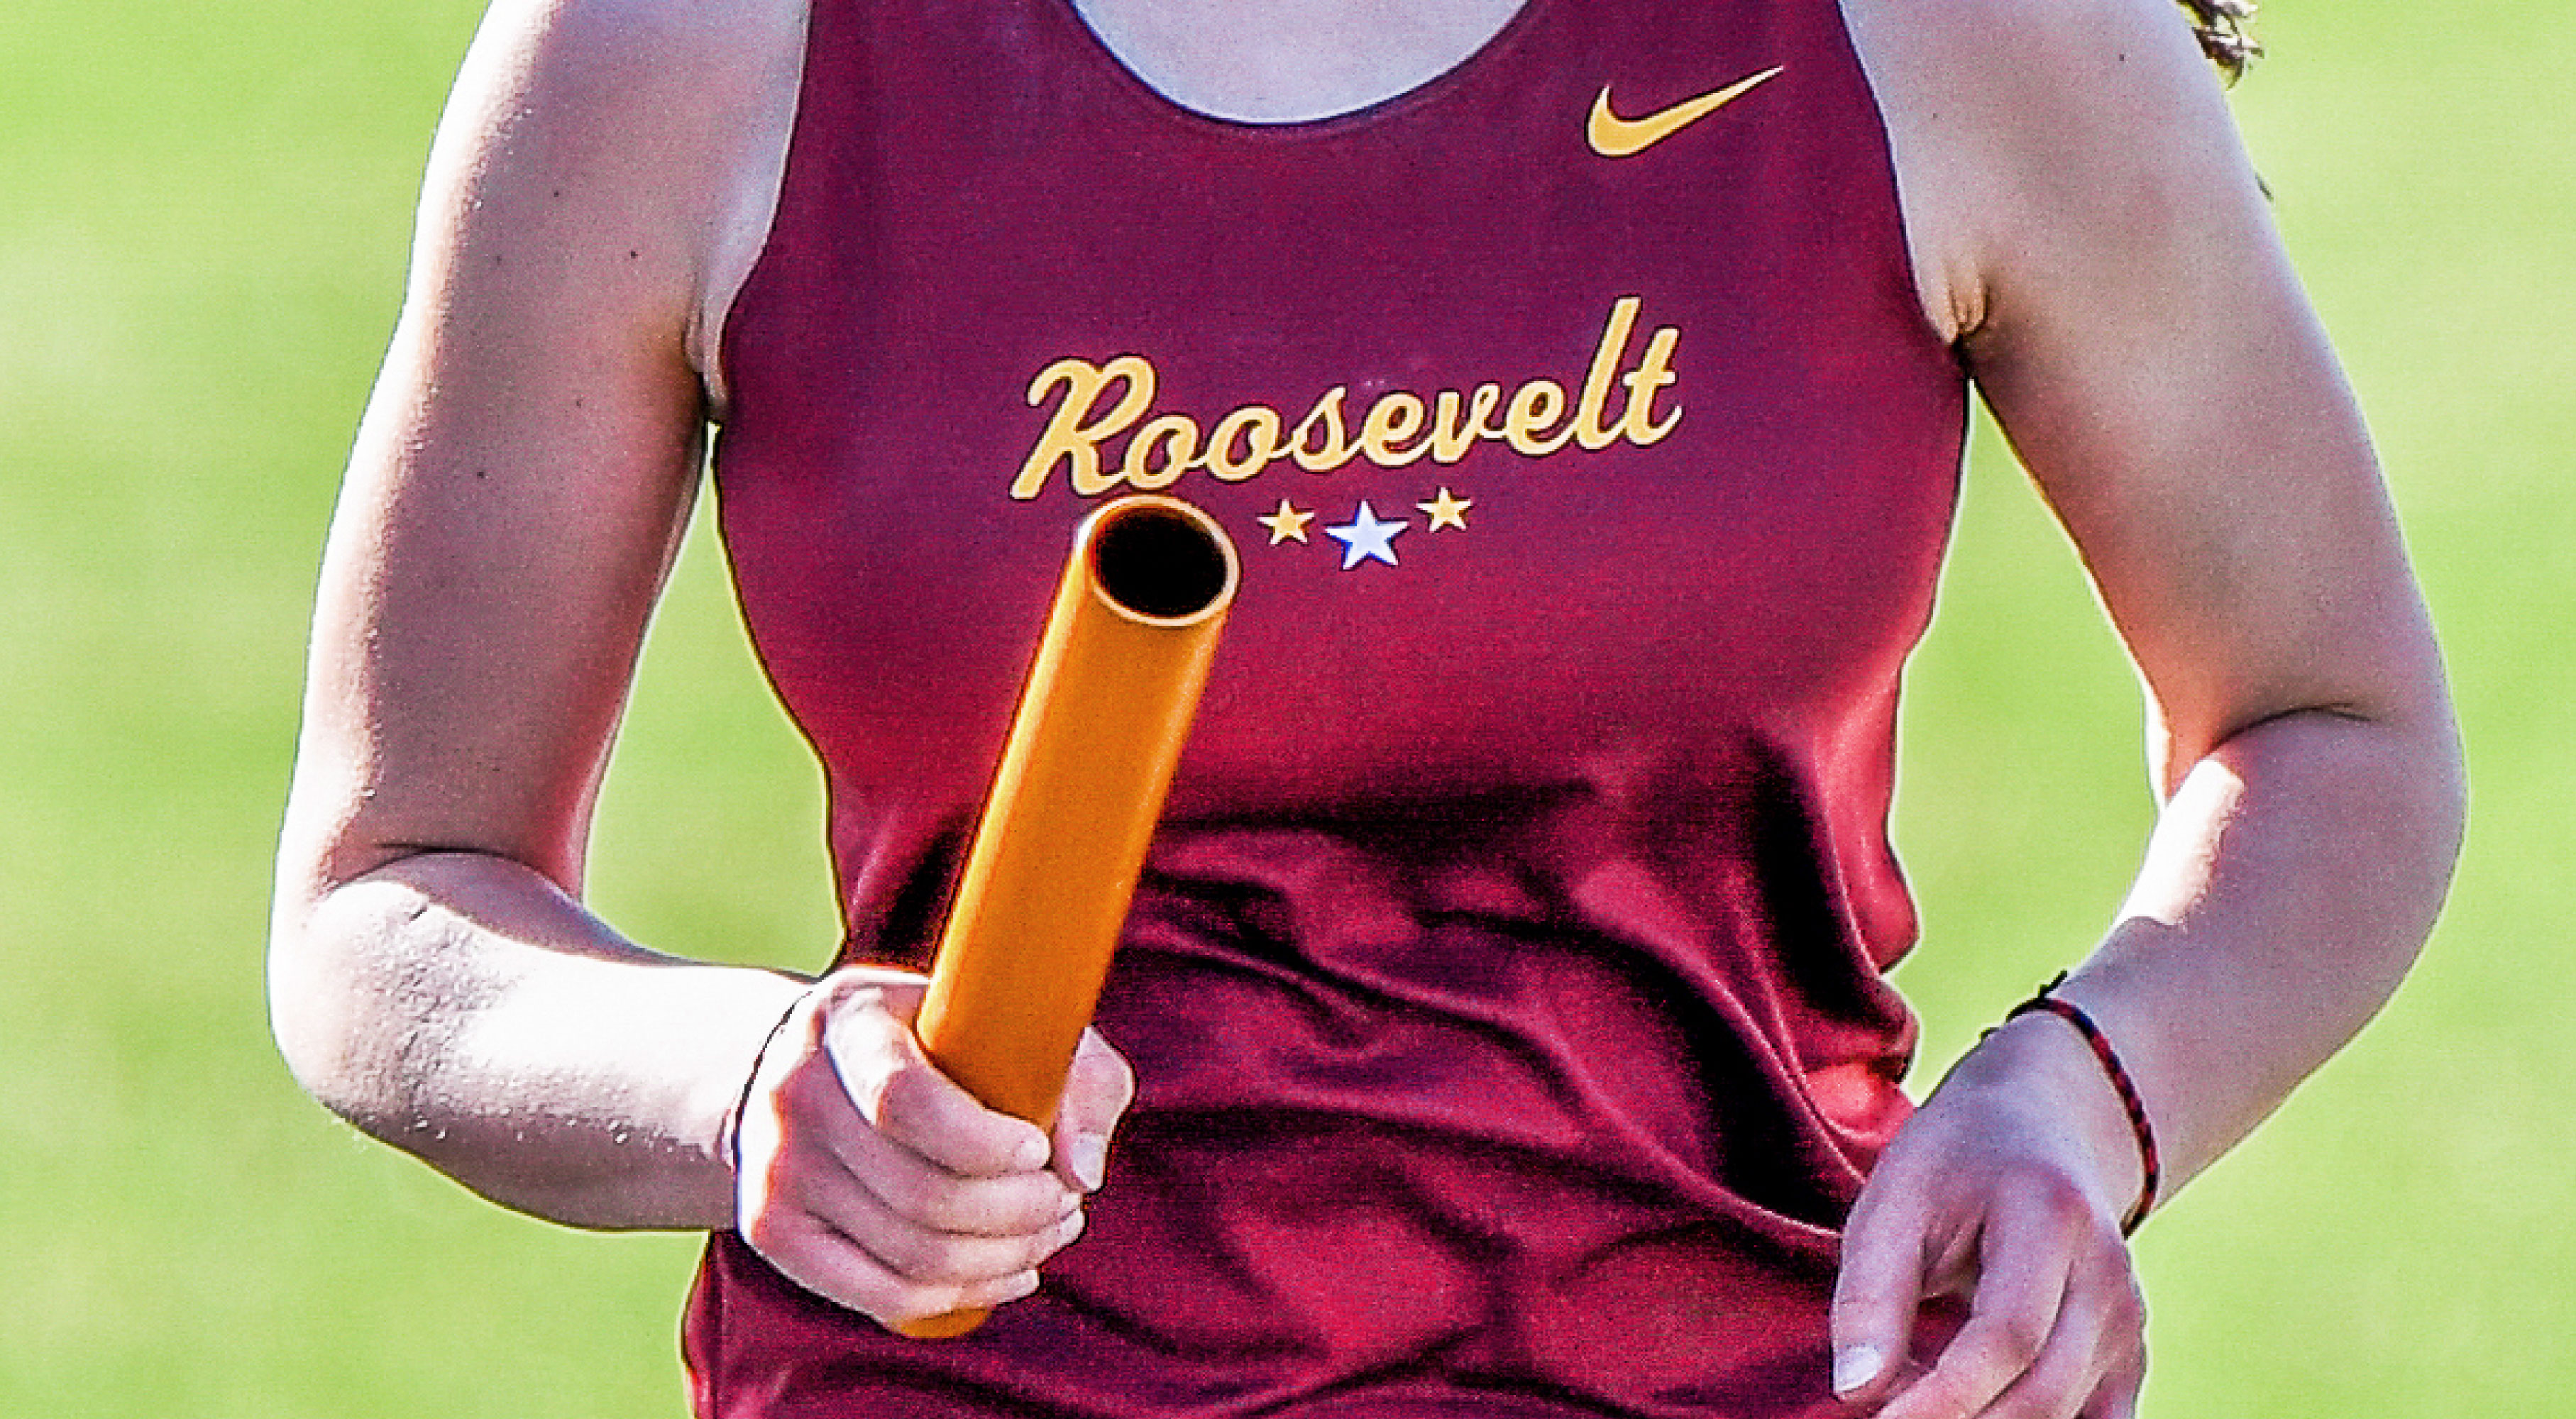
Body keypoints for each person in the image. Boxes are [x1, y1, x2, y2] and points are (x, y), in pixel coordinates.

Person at [268, 0, 2462, 1413]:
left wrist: (2083, 1098)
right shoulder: (679, 50)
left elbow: (2329, 720)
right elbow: (392, 903)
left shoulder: (1959, 32)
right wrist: (741, 1083)